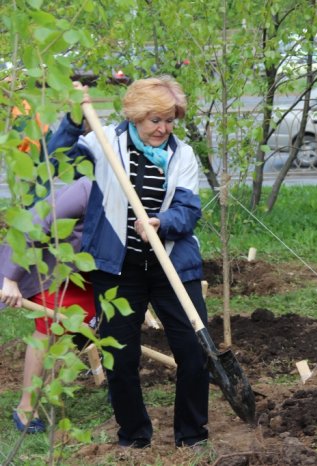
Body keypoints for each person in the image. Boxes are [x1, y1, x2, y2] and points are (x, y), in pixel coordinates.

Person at [48, 76, 209, 448]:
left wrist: (161, 222)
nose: (163, 129)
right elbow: (58, 164)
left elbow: (188, 209)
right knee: (119, 358)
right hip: (119, 268)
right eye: (155, 120)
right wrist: (74, 119)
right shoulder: (104, 143)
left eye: (169, 120)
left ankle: (192, 434)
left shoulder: (182, 154)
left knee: (194, 351)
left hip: (173, 265)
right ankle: (134, 435)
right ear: (136, 116)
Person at [0, 176, 97, 434]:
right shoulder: (86, 189)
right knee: (49, 331)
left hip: (90, 275)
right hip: (54, 271)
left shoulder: (144, 195)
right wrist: (10, 279)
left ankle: (56, 396)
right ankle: (26, 407)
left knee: (87, 330)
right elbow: (35, 225)